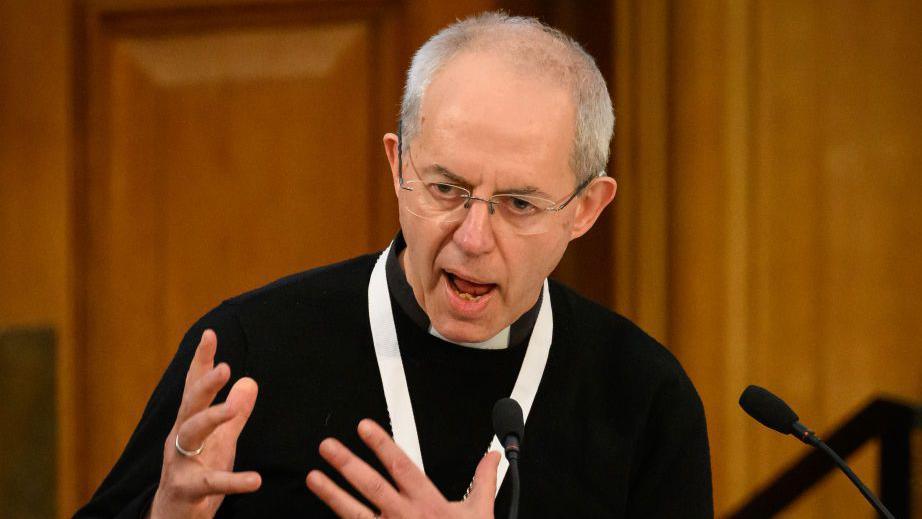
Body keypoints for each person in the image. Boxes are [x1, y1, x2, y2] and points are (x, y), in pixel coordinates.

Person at [75, 12, 712, 519]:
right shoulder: (251, 355)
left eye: (518, 204)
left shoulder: (642, 398)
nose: (472, 236)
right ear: (398, 164)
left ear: (586, 209)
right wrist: (167, 515)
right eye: (446, 189)